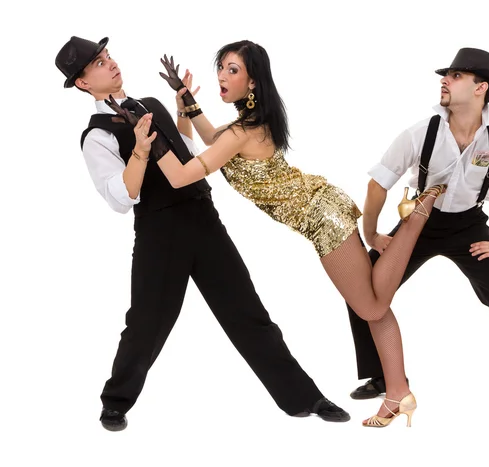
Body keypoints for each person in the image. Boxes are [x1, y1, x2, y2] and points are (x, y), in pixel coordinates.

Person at [108, 40, 446, 428]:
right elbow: (212, 141)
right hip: (322, 207)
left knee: (370, 307)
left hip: (323, 217)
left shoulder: (243, 131)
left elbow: (182, 176)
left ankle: (417, 214)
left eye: (233, 70)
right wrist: (185, 99)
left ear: (253, 82)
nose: (221, 75)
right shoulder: (244, 127)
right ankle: (398, 394)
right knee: (375, 305)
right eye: (221, 67)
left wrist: (151, 141)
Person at [55, 35, 352, 431]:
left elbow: (187, 153)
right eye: (97, 63)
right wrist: (140, 150)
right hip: (160, 232)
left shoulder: (149, 105)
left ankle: (305, 398)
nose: (110, 63)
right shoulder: (97, 135)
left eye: (107, 55)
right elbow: (121, 197)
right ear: (83, 83)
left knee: (248, 312)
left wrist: (181, 112)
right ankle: (115, 403)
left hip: (203, 218)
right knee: (146, 323)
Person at [346, 48, 489, 432]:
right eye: (447, 74)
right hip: (419, 223)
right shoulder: (422, 131)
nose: (445, 80)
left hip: (470, 226)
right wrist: (372, 234)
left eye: (456, 76)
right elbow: (378, 184)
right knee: (361, 287)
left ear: (481, 88)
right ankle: (381, 377)